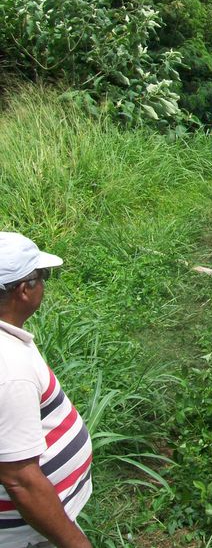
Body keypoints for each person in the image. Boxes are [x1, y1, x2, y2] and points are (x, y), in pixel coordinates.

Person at [0, 232, 93, 548]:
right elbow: (20, 481)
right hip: (30, 534)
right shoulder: (9, 370)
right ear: (24, 290)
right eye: (43, 276)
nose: (45, 284)